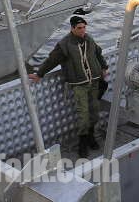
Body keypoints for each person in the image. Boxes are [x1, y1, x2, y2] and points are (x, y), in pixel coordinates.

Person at [29, 16, 108, 158]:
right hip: (79, 84)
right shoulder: (65, 44)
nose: (83, 30)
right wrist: (40, 73)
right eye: (79, 28)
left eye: (84, 27)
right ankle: (83, 143)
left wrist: (104, 67)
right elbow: (52, 60)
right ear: (72, 28)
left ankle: (91, 136)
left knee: (95, 112)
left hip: (95, 81)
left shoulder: (89, 39)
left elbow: (98, 52)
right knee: (83, 115)